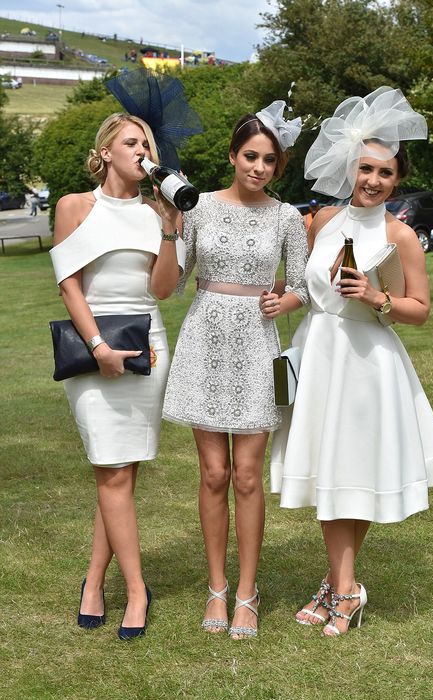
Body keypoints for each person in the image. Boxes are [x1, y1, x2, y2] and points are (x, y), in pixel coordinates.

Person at [271, 87, 433, 636]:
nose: (374, 180)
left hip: (369, 361)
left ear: (397, 180)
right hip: (320, 353)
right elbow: (306, 287)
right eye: (366, 169)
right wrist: (285, 299)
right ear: (350, 169)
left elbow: (420, 310)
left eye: (386, 173)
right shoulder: (320, 221)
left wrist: (377, 299)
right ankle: (343, 584)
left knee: (356, 470)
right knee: (332, 468)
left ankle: (343, 588)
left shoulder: (401, 235)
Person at [163, 100, 308, 639]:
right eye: (251, 156)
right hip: (205, 338)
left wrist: (286, 303)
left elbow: (303, 284)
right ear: (232, 155)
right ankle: (216, 588)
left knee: (248, 476)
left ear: (278, 166)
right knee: (213, 474)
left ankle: (247, 592)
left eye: (269, 161)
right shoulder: (197, 209)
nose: (259, 168)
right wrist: (169, 227)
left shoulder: (287, 216)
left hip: (257, 345)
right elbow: (172, 284)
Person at [49, 112, 185, 640]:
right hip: (93, 347)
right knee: (110, 468)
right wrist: (99, 347)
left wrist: (171, 226)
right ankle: (135, 589)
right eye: (131, 142)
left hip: (147, 344)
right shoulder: (74, 206)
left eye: (147, 143)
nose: (141, 150)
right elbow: (69, 285)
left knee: (121, 474)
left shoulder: (157, 212)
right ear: (106, 151)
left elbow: (164, 290)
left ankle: (96, 582)